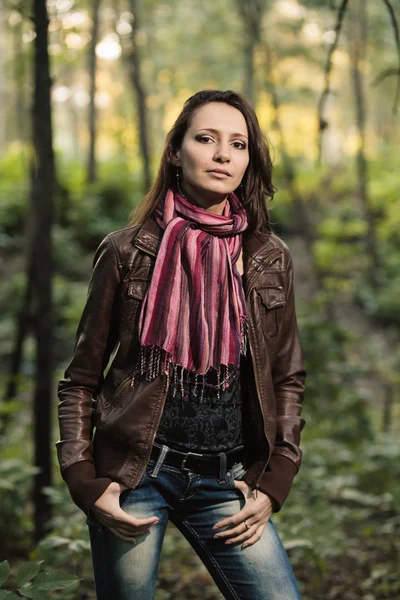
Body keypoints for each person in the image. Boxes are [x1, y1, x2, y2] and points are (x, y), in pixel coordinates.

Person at [56, 89, 307, 600]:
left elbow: (287, 378)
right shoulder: (127, 251)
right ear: (176, 151)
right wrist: (84, 479)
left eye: (238, 144)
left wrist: (275, 479)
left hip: (226, 479)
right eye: (206, 138)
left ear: (248, 161)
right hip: (134, 475)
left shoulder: (268, 257)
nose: (222, 154)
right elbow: (80, 380)